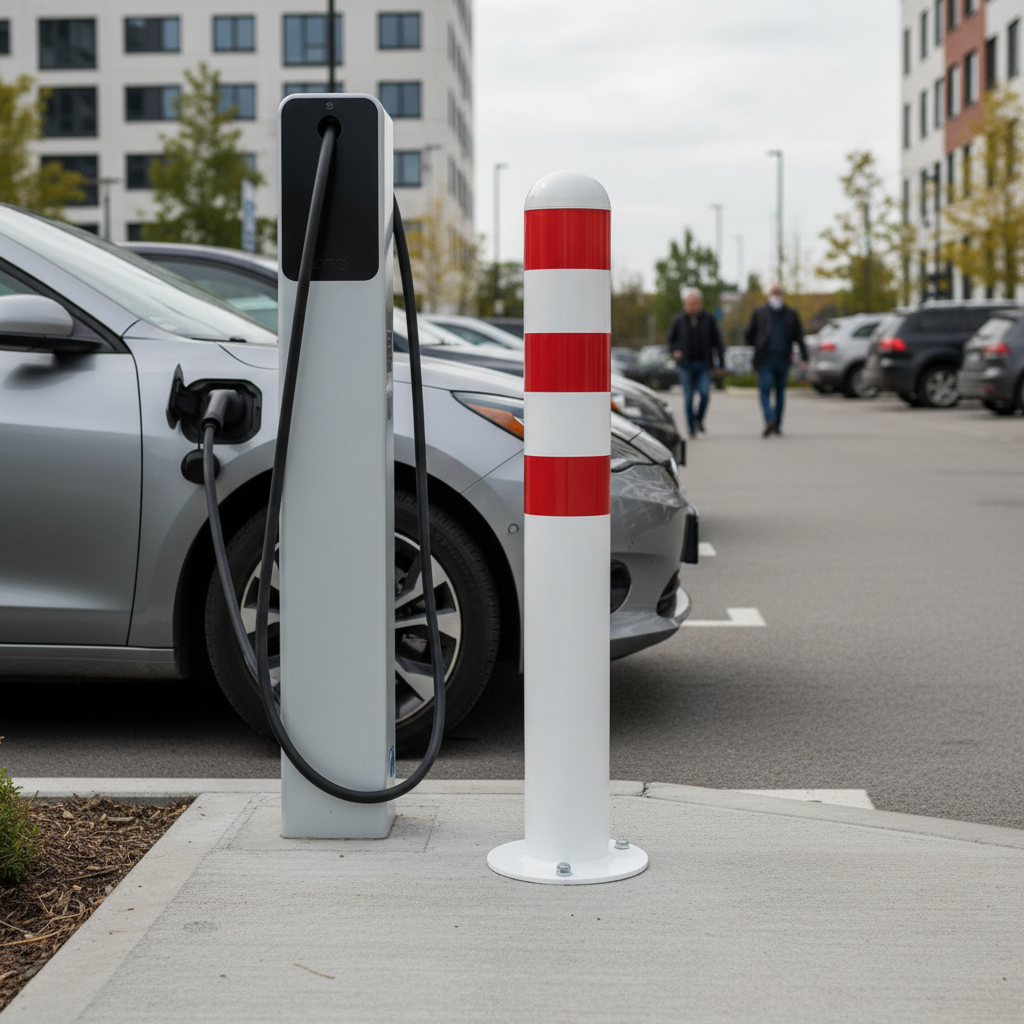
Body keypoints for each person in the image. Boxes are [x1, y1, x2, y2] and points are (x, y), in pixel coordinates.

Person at [743, 282, 808, 437]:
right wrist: (757, 345)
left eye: (778, 292)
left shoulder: (790, 314)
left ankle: (777, 424)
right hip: (765, 359)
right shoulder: (760, 313)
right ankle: (769, 420)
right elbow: (749, 334)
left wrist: (805, 357)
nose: (776, 295)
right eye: (773, 292)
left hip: (783, 359)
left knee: (780, 392)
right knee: (765, 390)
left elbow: (799, 337)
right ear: (769, 294)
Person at [667, 287, 724, 438]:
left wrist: (721, 364)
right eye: (689, 303)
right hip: (686, 365)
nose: (692, 306)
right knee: (689, 396)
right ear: (685, 304)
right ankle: (691, 428)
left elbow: (717, 342)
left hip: (703, 364)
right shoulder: (678, 320)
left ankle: (699, 419)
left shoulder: (708, 319)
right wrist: (675, 351)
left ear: (700, 303)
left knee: (705, 393)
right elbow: (671, 341)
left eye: (695, 303)